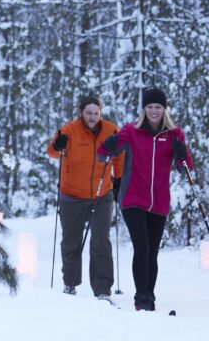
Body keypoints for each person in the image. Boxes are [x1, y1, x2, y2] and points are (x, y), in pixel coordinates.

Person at [98, 87, 193, 311]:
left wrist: (182, 154)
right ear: (144, 109)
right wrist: (109, 146)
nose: (153, 111)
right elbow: (103, 155)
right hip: (133, 198)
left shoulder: (173, 135)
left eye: (157, 107)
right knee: (141, 246)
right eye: (149, 107)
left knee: (152, 252)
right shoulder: (132, 131)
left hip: (158, 202)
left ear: (164, 109)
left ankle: (149, 297)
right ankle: (141, 300)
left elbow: (185, 169)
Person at [47, 95, 123, 299]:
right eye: (88, 113)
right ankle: (70, 284)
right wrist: (57, 145)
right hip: (72, 195)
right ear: (81, 112)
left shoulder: (111, 130)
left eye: (95, 113)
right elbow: (52, 151)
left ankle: (103, 289)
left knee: (101, 240)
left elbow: (120, 154)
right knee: (71, 241)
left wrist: (119, 180)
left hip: (102, 193)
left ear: (100, 113)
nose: (92, 117)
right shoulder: (69, 130)